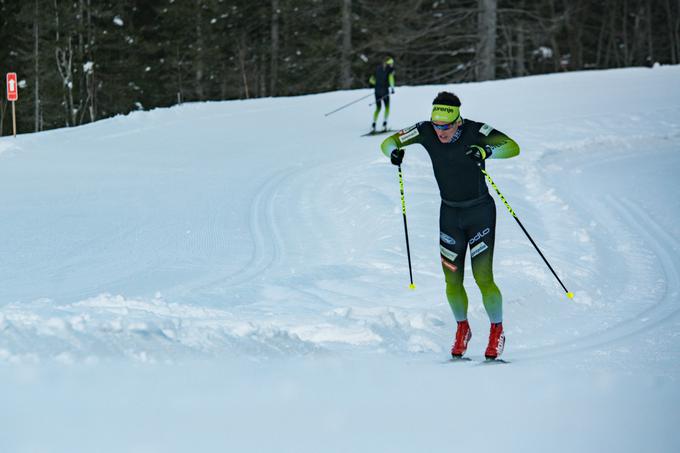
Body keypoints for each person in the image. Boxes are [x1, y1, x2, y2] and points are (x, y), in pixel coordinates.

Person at [379, 91, 520, 360]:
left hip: (480, 212)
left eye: (445, 126)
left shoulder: (476, 130)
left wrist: (485, 150)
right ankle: (462, 329)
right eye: (436, 125)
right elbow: (389, 142)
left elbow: (511, 146)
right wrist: (394, 153)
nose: (440, 132)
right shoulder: (424, 130)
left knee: (483, 277)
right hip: (449, 214)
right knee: (452, 280)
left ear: (457, 121)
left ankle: (496, 330)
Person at [368, 57, 395, 132]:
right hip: (385, 92)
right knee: (387, 108)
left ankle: (373, 125)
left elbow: (372, 80)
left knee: (378, 108)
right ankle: (384, 125)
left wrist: (373, 85)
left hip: (377, 92)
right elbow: (391, 79)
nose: (392, 65)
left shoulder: (378, 69)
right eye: (392, 63)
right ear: (389, 64)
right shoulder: (390, 70)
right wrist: (392, 88)